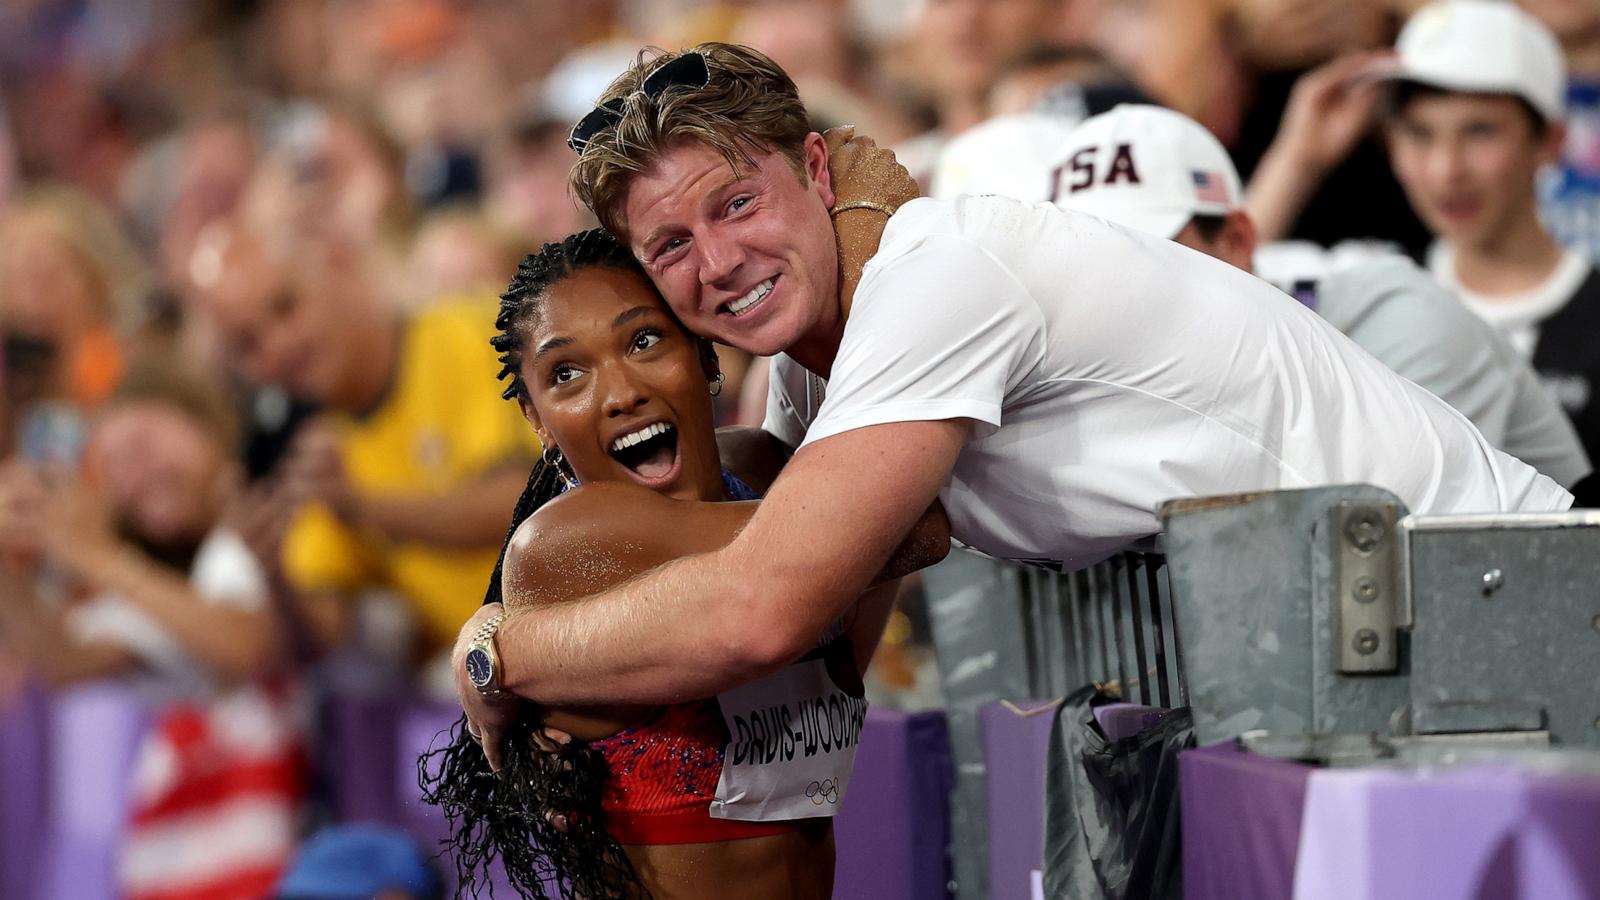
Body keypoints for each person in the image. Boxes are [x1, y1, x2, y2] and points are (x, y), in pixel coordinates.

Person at [455, 42, 1571, 758]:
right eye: (671, 246)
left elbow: (762, 611)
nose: (720, 259)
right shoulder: (807, 363)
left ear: (816, 170)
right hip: (1370, 672)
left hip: (1502, 617)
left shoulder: (940, 273)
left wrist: (510, 651)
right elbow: (823, 662)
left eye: (737, 202)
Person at [420, 230, 946, 899]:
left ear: (702, 349)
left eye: (643, 341)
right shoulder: (571, 542)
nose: (619, 394)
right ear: (537, 419)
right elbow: (911, 528)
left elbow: (896, 539)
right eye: (566, 374)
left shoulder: (761, 471)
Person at [1050, 103, 1590, 488]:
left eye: (1148, 257)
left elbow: (1373, 575)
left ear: (1237, 241)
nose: (1116, 294)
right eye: (1087, 266)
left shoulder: (1398, 325)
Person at [0, 359, 312, 900]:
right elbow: (63, 664)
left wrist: (97, 557)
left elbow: (247, 643)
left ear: (210, 428)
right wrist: (10, 567)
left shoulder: (263, 529)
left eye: (144, 444)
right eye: (114, 465)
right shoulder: (160, 585)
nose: (136, 474)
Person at [1246, 2, 1600, 467]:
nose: (1446, 170)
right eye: (1418, 134)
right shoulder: (1364, 279)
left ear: (1550, 142)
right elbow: (1205, 291)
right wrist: (1298, 158)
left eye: (1480, 132)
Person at [190, 211, 535, 666]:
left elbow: (526, 508)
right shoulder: (321, 458)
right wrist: (270, 569)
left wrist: (364, 508)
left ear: (336, 266)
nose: (277, 344)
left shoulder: (469, 328)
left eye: (286, 306)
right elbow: (320, 638)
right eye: (247, 344)